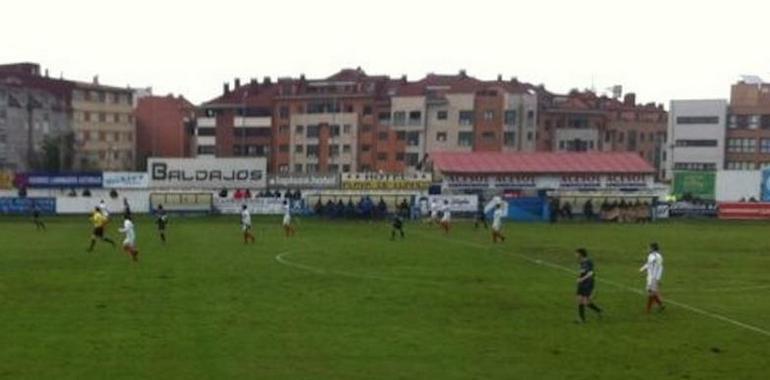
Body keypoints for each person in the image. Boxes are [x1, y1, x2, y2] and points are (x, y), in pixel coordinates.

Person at [575, 248, 603, 323]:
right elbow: (583, 272)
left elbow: (591, 273)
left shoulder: (588, 262)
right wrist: (579, 277)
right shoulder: (581, 262)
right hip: (582, 283)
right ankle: (582, 319)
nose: (575, 255)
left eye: (577, 253)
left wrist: (582, 279)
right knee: (579, 300)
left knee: (584, 301)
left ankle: (598, 311)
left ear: (581, 254)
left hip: (588, 283)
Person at [640, 242, 665, 313]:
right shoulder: (650, 256)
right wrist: (642, 269)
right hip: (650, 277)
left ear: (652, 248)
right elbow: (649, 264)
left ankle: (648, 309)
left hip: (654, 277)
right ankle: (660, 305)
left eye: (649, 247)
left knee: (651, 293)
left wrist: (657, 279)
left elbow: (660, 268)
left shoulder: (658, 257)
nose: (648, 249)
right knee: (651, 292)